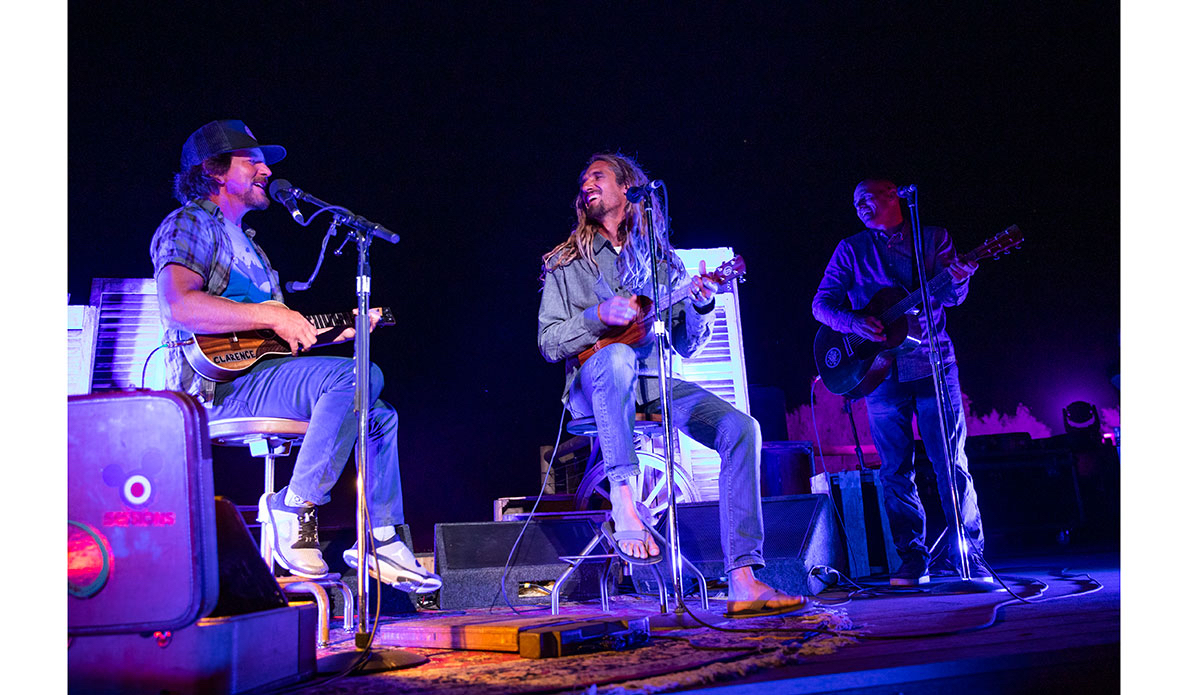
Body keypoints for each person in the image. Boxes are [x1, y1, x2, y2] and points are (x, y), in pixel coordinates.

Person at [150, 119, 441, 593]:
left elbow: (269, 338)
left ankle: (382, 538)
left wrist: (332, 330)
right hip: (218, 387)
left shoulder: (256, 251)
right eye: (253, 160)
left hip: (265, 375)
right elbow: (179, 304)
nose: (266, 169)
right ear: (215, 171)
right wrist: (277, 317)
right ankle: (294, 504)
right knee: (358, 377)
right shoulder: (190, 224)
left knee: (380, 414)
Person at [538, 152, 806, 617]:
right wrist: (595, 316)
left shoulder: (662, 263)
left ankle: (742, 578)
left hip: (655, 382)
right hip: (591, 387)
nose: (586, 184)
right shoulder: (565, 262)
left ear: (628, 188)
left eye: (597, 176)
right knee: (617, 355)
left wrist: (701, 305)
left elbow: (685, 346)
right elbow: (548, 341)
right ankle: (624, 501)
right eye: (583, 180)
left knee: (742, 430)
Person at [811, 178, 987, 586]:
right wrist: (853, 321)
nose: (860, 207)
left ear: (896, 197)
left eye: (868, 198)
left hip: (932, 365)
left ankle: (969, 555)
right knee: (894, 470)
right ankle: (913, 558)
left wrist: (959, 277)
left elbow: (952, 297)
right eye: (855, 202)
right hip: (880, 374)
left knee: (951, 464)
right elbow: (822, 304)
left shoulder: (934, 237)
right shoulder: (850, 249)